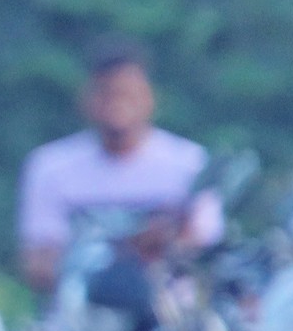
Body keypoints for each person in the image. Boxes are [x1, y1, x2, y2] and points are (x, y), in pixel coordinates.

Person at [14, 35, 221, 293]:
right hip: (82, 311)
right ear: (87, 99)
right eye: (108, 94)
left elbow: (207, 247)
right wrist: (116, 253)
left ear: (150, 97)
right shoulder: (50, 168)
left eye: (128, 94)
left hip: (169, 308)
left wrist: (169, 242)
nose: (118, 105)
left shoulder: (190, 164)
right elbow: (37, 264)